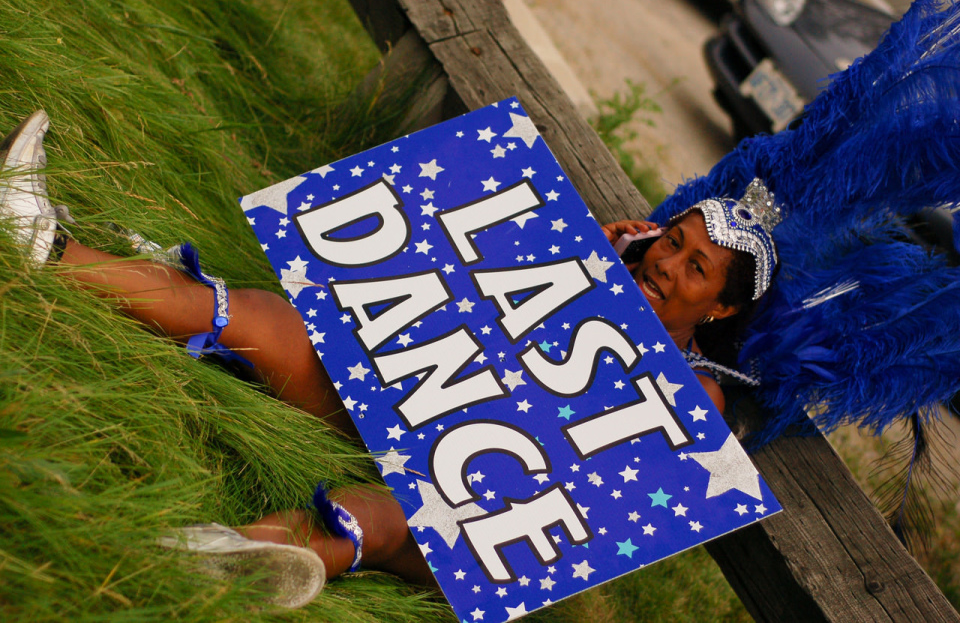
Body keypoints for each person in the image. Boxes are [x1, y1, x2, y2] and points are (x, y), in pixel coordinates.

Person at [0, 107, 767, 607]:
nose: (667, 265)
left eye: (696, 268)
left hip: (472, 495)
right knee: (270, 321)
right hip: (392, 400)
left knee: (408, 517)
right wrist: (575, 253)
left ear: (722, 307)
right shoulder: (598, 257)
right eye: (674, 241)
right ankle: (47, 247)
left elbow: (628, 472)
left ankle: (235, 556)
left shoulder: (703, 387)